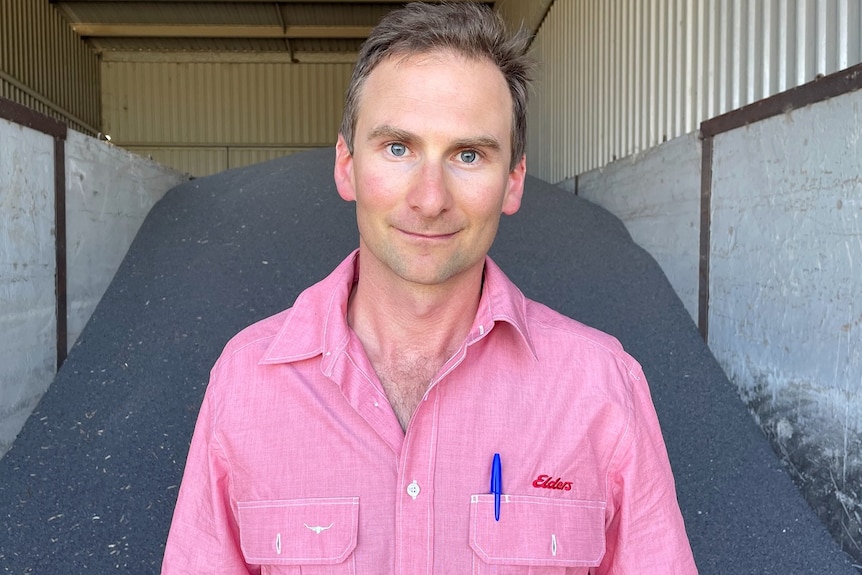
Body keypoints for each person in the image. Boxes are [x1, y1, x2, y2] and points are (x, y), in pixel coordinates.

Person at [162, 2, 698, 573]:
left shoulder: (601, 388)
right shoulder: (247, 382)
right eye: (398, 148)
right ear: (345, 164)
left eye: (468, 155)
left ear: (513, 182)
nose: (430, 198)